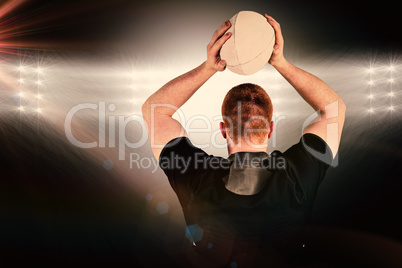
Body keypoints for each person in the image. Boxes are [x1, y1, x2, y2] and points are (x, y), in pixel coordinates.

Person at [142, 14, 346, 267]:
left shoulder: (195, 175)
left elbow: (155, 109)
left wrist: (208, 68)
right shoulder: (297, 175)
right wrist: (280, 62)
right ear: (270, 129)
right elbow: (334, 108)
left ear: (223, 129)